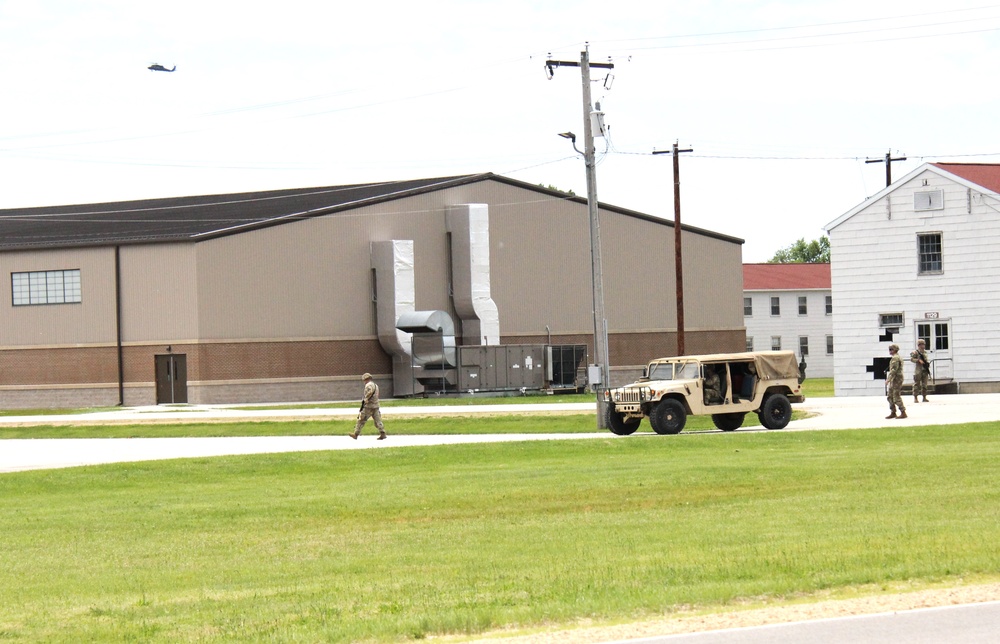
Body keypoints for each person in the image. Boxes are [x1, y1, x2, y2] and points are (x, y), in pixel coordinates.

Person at [350, 373, 387, 440]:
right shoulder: (376, 385)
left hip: (368, 406)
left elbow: (370, 391)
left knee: (361, 420)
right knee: (378, 420)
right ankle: (382, 433)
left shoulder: (368, 385)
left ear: (366, 379)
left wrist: (366, 398)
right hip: (376, 405)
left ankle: (356, 434)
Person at [885, 344, 907, 419]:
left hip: (896, 379)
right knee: (890, 396)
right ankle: (893, 412)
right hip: (894, 379)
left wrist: (888, 379)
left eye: (891, 349)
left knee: (896, 396)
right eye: (889, 349)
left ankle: (903, 412)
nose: (890, 351)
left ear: (895, 350)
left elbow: (894, 370)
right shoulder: (895, 357)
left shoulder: (895, 358)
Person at [910, 339, 930, 403]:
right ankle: (915, 397)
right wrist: (918, 360)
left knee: (924, 385)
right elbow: (912, 359)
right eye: (921, 345)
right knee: (916, 384)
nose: (922, 346)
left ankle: (924, 397)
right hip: (918, 370)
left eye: (923, 344)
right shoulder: (915, 352)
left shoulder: (925, 352)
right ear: (918, 345)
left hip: (925, 370)